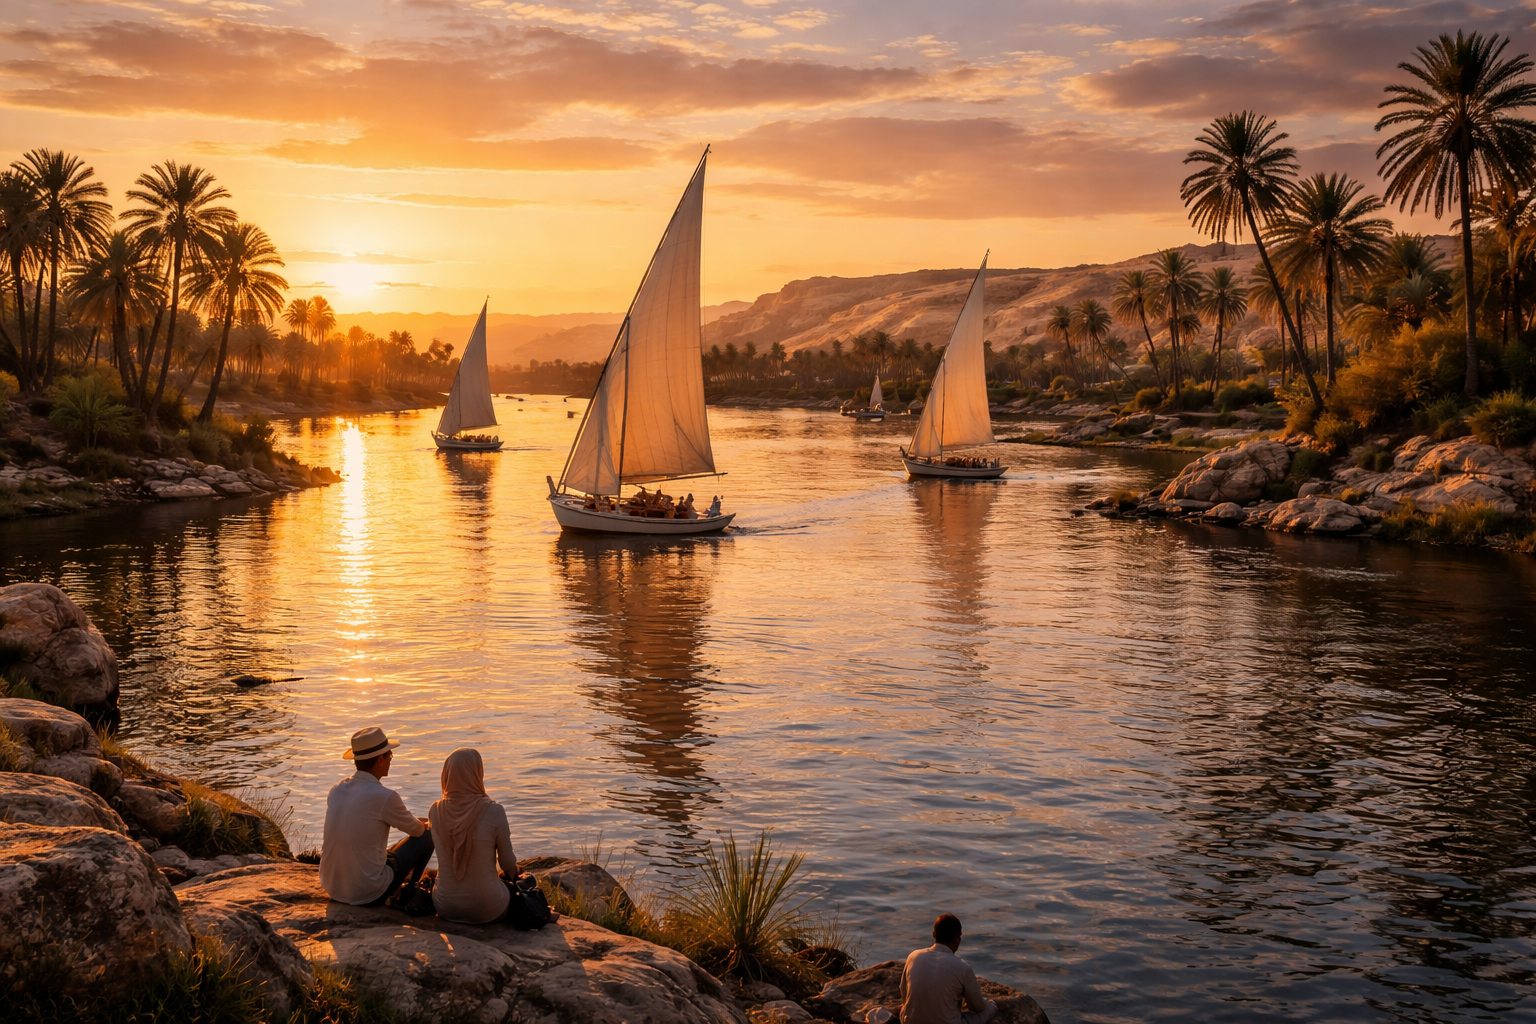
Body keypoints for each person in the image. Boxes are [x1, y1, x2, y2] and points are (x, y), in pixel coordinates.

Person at [320, 726, 434, 908]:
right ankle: (408, 889)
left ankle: (404, 887)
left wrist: (413, 822)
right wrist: (423, 824)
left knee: (389, 849)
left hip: (333, 887)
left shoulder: (337, 789)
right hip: (368, 893)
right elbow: (418, 831)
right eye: (390, 756)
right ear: (381, 759)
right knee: (429, 835)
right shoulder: (385, 796)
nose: (391, 760)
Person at [429, 748, 522, 924]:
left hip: (444, 905)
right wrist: (518, 877)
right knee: (525, 883)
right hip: (488, 908)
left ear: (447, 774)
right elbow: (508, 864)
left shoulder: (435, 810)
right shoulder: (494, 811)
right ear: (477, 773)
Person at [900, 913, 997, 1024]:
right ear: (956, 939)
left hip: (910, 1021)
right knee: (991, 1007)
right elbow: (978, 1006)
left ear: (934, 934)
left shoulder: (913, 956)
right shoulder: (963, 968)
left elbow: (904, 993)